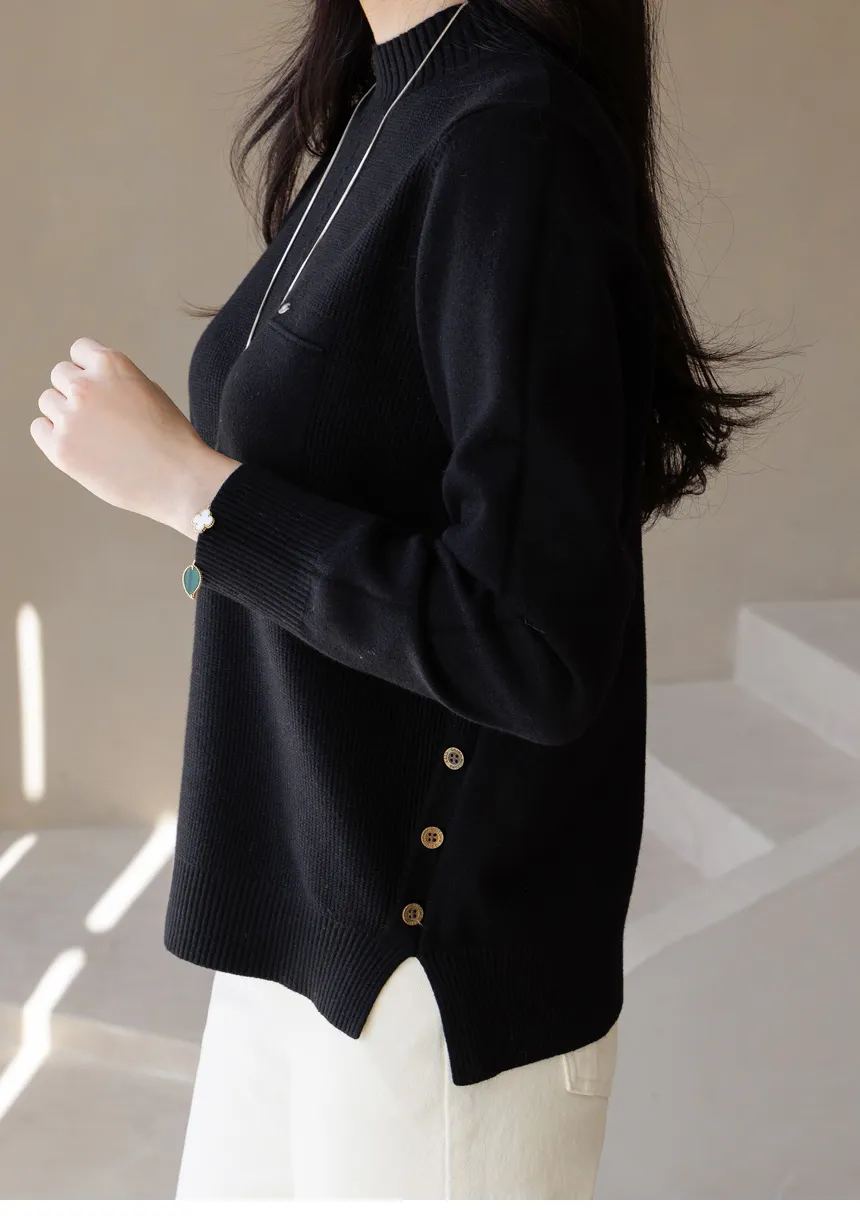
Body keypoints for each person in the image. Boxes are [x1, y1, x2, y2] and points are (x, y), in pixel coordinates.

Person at [31, 0, 781, 1200]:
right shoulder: (395, 96)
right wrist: (206, 507)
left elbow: (528, 645)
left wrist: (195, 493)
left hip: (425, 980)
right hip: (301, 930)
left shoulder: (510, 134)